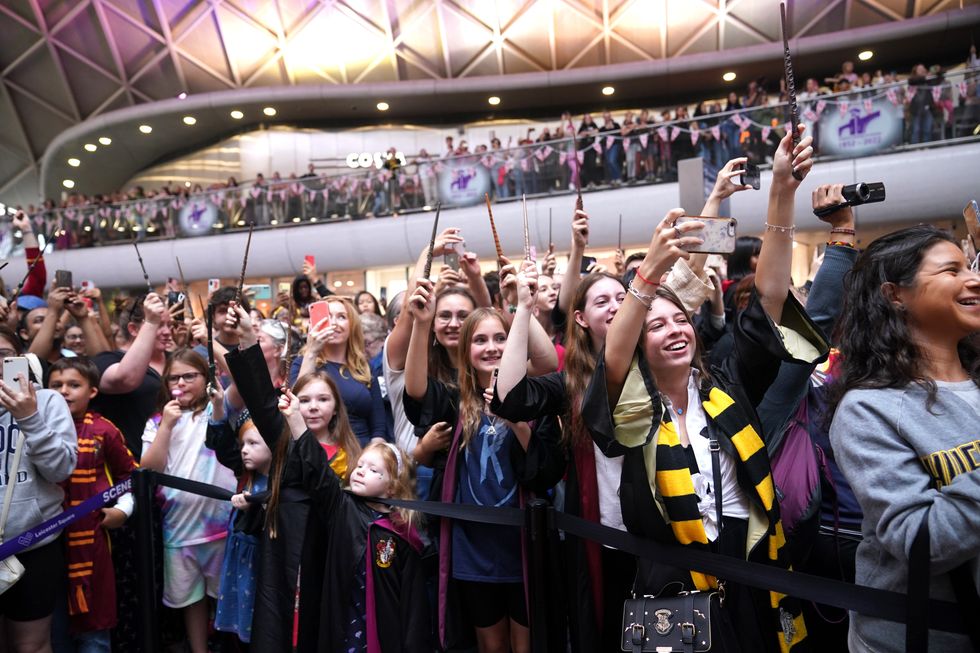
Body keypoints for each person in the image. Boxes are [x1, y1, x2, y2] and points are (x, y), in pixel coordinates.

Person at [582, 126, 822, 652]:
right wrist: (648, 274)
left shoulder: (726, 383)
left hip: (750, 557)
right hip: (674, 578)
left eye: (680, 320)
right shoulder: (634, 409)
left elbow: (770, 297)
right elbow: (614, 359)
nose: (675, 329)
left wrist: (781, 191)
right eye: (655, 325)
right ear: (637, 343)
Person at [829, 224, 980, 653]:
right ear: (895, 295)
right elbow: (918, 540)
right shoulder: (869, 409)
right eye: (951, 270)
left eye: (970, 266)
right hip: (923, 637)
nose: (974, 279)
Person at [404, 265, 563, 652]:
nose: (491, 347)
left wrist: (521, 307)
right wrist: (421, 324)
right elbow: (416, 388)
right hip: (472, 546)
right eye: (480, 340)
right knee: (490, 646)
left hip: (522, 542)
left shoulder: (533, 400)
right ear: (466, 351)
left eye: (500, 338)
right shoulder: (454, 400)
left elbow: (545, 473)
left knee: (526, 645)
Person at [223, 343, 358, 651]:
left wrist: (298, 425)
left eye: (323, 399)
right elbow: (260, 401)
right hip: (282, 553)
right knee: (276, 629)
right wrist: (247, 339)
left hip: (322, 555)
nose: (313, 407)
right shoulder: (283, 442)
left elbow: (330, 497)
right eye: (305, 400)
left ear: (336, 407)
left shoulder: (349, 456)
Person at [278, 394, 430, 652]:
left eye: (374, 470)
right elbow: (317, 467)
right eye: (360, 465)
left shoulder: (403, 534)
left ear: (392, 487)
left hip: (382, 633)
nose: (361, 471)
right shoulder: (341, 505)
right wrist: (294, 418)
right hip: (343, 626)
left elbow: (413, 604)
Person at [140, 349, 237, 653]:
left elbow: (241, 379)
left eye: (189, 376)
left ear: (206, 377)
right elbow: (149, 469)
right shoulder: (158, 422)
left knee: (226, 595)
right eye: (174, 378)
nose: (181, 383)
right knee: (191, 600)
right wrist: (166, 426)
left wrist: (213, 343)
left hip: (221, 526)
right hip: (179, 528)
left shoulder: (217, 409)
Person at [49, 357, 136, 651]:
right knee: (53, 625)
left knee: (95, 632)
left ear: (93, 391)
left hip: (93, 537)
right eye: (56, 385)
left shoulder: (104, 430)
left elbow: (131, 476)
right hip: (48, 540)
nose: (64, 391)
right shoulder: (36, 428)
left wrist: (122, 510)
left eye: (74, 385)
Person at [0, 333, 76, 653]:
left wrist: (29, 417)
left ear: (21, 359)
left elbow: (61, 470)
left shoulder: (47, 401)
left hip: (33, 542)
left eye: (4, 354)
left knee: (31, 645)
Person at [206, 390, 271, 645]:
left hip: (262, 563)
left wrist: (255, 506)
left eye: (253, 444)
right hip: (239, 559)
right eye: (243, 444)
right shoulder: (245, 473)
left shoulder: (282, 478)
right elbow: (222, 445)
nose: (244, 450)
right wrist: (218, 406)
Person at [290, 297, 388, 446]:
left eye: (341, 317)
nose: (334, 323)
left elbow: (378, 426)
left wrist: (372, 454)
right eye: (327, 316)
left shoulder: (364, 368)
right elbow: (295, 407)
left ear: (352, 326)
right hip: (318, 451)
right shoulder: (302, 362)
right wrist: (312, 351)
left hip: (362, 452)